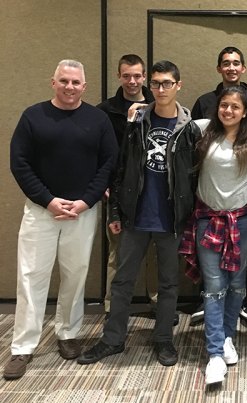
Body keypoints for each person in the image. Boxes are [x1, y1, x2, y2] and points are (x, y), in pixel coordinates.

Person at [77, 60, 201, 367]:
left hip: (171, 219)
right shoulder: (137, 124)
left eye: (167, 83)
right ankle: (112, 339)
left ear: (178, 86)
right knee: (122, 282)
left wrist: (191, 219)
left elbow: (195, 178)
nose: (161, 89)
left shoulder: (189, 129)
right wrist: (114, 212)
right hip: (135, 217)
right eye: (156, 83)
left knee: (169, 284)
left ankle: (163, 340)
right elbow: (122, 170)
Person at [5, 60, 118, 380]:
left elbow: (109, 163)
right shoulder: (33, 116)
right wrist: (49, 200)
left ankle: (67, 334)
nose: (70, 87)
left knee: (75, 275)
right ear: (52, 82)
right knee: (30, 278)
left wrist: (85, 201)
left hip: (82, 212)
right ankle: (22, 347)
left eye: (76, 82)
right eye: (64, 81)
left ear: (84, 86)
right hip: (41, 212)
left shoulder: (97, 120)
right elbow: (20, 163)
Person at [180, 86, 247, 384]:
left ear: (246, 112)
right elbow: (170, 118)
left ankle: (228, 336)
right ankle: (215, 352)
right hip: (208, 219)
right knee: (215, 284)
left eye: (235, 107)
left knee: (238, 283)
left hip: (243, 220)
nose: (228, 111)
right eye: (224, 105)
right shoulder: (203, 130)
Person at [190, 46, 247, 327]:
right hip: (209, 209)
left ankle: (241, 310)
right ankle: (213, 318)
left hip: (243, 211)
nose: (228, 110)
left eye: (236, 63)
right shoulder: (204, 111)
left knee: (239, 276)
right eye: (226, 63)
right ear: (219, 67)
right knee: (213, 278)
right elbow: (181, 129)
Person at [96, 54, 156, 318]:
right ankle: (114, 307)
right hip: (119, 192)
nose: (132, 81)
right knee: (118, 252)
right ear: (119, 76)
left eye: (137, 75)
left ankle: (158, 304)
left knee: (156, 253)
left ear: (144, 77)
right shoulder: (105, 111)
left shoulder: (160, 105)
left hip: (155, 191)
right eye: (126, 76)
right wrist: (103, 187)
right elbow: (97, 154)